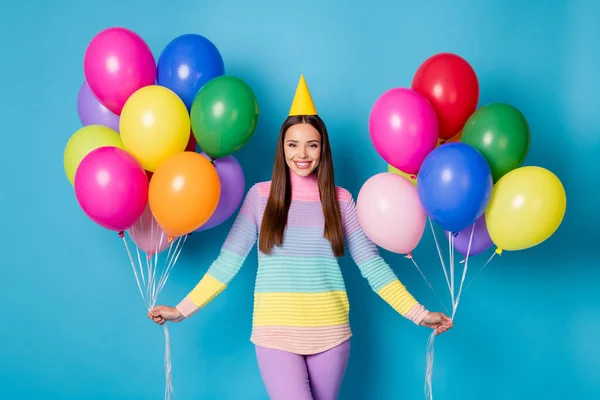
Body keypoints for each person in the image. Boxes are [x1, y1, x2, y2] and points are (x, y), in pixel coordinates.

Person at [148, 74, 453, 399]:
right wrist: (182, 310)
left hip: (332, 336)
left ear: (323, 149)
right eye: (293, 144)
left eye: (312, 144)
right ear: (282, 148)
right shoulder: (259, 198)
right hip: (275, 336)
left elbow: (374, 269)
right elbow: (227, 264)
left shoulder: (341, 200)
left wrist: (419, 314)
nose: (302, 153)